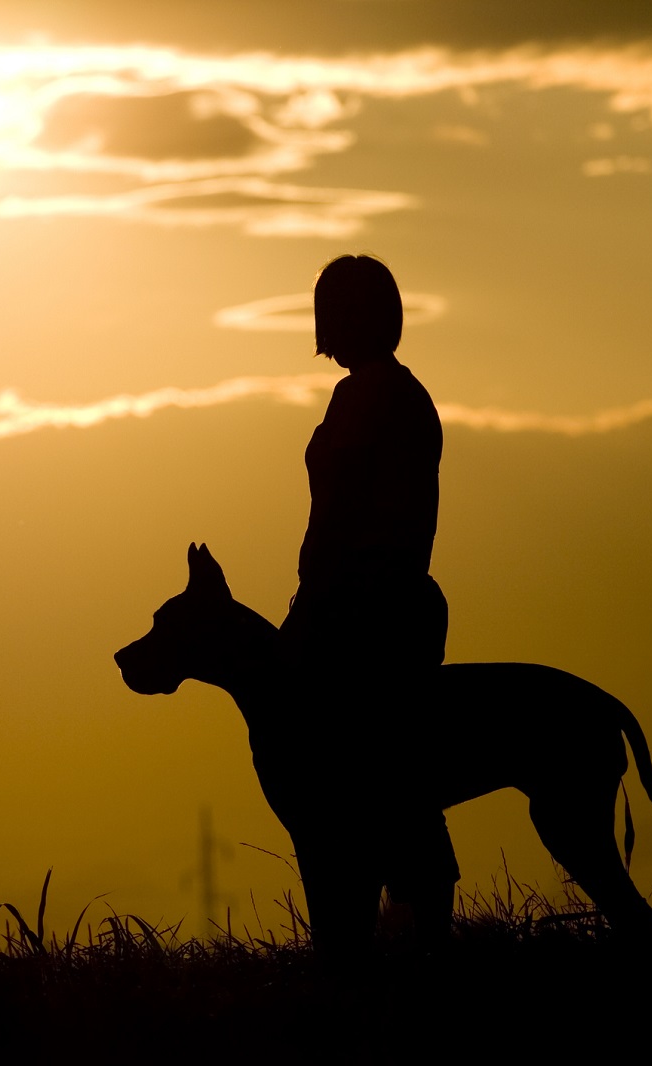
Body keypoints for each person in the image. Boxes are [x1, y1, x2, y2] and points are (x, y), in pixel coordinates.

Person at [278, 253, 457, 948]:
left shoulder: (370, 397)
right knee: (391, 766)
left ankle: (384, 926)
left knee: (366, 765)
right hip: (388, 598)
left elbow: (340, 517)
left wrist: (311, 608)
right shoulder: (395, 392)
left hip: (368, 609)